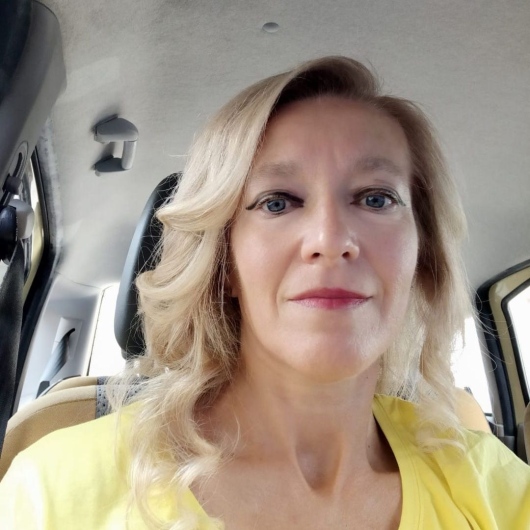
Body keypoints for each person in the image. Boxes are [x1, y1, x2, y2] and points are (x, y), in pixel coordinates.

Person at [1, 56, 529, 529]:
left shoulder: (493, 486)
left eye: (375, 198)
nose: (330, 240)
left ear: (420, 256)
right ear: (224, 263)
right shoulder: (54, 491)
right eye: (277, 202)